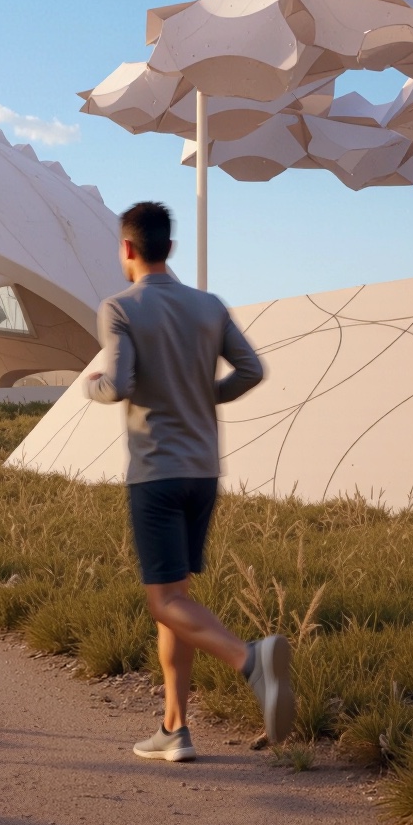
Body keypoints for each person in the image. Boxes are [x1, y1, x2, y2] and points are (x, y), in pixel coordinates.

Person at [72, 200, 291, 762]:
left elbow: (117, 382)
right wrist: (203, 395)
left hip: (156, 473)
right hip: (204, 473)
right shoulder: (208, 306)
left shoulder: (119, 308)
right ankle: (175, 727)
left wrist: (91, 386)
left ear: (127, 250)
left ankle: (251, 660)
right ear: (168, 248)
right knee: (177, 598)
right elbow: (252, 370)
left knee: (164, 601)